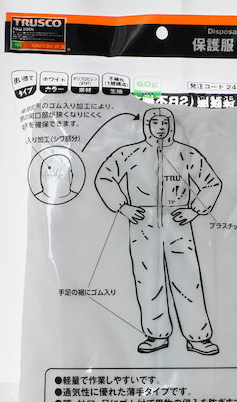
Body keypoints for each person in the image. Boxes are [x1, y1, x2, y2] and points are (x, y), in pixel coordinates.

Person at [95, 108, 222, 355]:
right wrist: (123, 207)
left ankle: (198, 337)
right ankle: (156, 334)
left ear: (172, 125)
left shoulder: (186, 154)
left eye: (165, 122)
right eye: (155, 122)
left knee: (188, 280)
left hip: (178, 222)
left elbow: (211, 183)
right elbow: (104, 178)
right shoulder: (129, 153)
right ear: (146, 125)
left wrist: (194, 210)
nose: (161, 127)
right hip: (142, 222)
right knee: (148, 280)